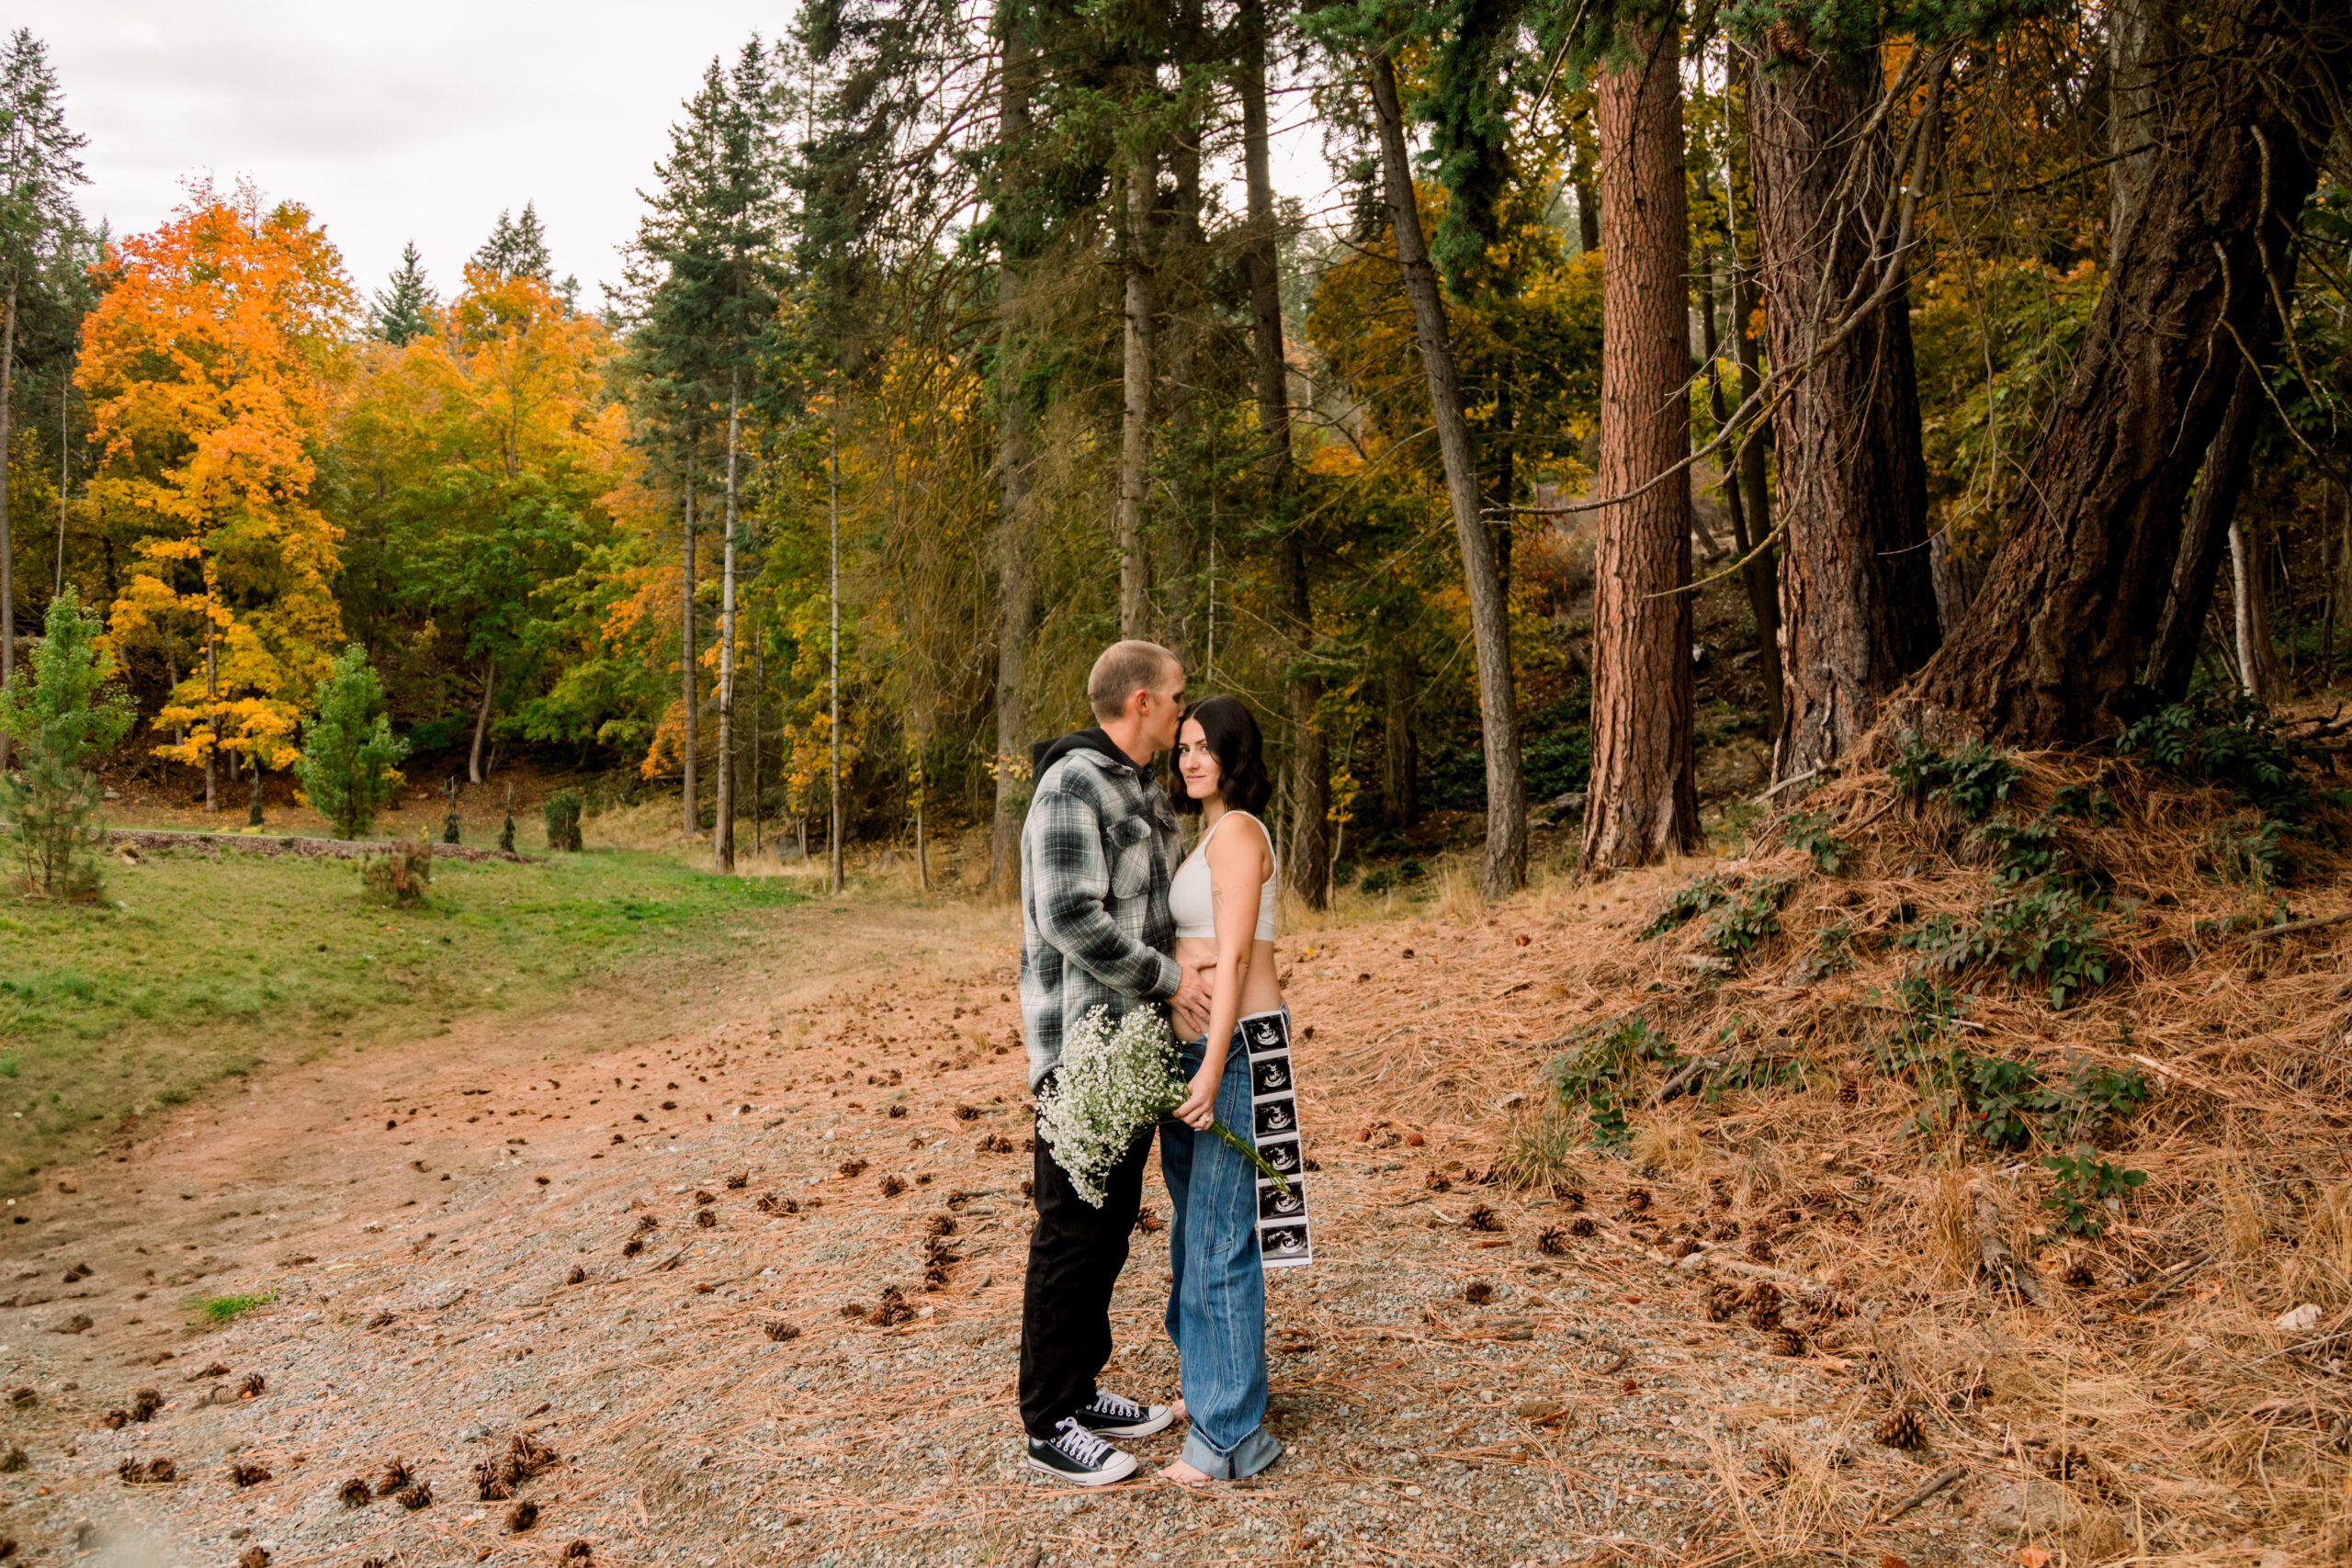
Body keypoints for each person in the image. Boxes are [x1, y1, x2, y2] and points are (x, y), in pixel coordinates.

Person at [1016, 639, 1216, 1486]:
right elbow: (1069, 915)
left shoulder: (1139, 789)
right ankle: (1047, 1418)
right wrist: (1170, 979)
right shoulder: (1071, 786)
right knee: (1071, 1231)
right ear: (1139, 701)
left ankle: (1083, 1388)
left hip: (1133, 1052)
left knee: (1107, 1230)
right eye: (1174, 698)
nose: (1180, 713)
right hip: (1082, 1052)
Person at [1159, 694, 1292, 1483]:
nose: (1190, 759)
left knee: (1218, 1235)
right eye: (1183, 748)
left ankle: (1232, 1436)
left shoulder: (1240, 833)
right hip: (1196, 1055)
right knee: (1193, 1231)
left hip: (1233, 1051)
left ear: (1236, 752)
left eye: (1206, 746)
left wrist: (1210, 1065)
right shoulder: (1206, 833)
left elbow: (1236, 957)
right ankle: (1210, 1387)